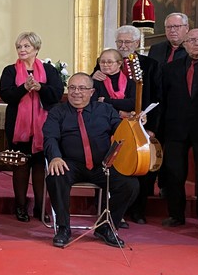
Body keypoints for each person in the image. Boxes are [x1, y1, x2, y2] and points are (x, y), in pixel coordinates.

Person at [43, 73, 138, 248]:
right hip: (70, 163)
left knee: (130, 184)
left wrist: (134, 124)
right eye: (72, 88)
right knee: (56, 176)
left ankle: (106, 226)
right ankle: (63, 228)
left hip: (102, 165)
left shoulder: (105, 110)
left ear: (92, 91)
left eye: (82, 88)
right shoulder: (57, 112)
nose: (76, 92)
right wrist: (55, 157)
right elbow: (50, 137)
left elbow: (122, 132)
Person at [0, 31, 64, 223]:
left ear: (36, 49)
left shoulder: (49, 70)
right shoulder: (10, 71)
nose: (22, 50)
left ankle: (40, 207)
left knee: (39, 165)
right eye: (19, 47)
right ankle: (20, 206)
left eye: (26, 46)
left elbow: (57, 94)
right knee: (20, 164)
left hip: (44, 127)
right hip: (17, 126)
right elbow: (6, 95)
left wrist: (40, 87)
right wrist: (24, 88)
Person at [157, 29, 198, 230]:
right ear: (185, 44)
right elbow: (163, 100)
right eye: (192, 40)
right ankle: (176, 215)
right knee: (174, 173)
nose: (197, 43)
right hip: (175, 128)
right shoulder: (170, 69)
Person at [103, 25, 161, 224]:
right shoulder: (105, 63)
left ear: (137, 43)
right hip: (111, 125)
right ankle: (110, 209)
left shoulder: (151, 65)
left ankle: (138, 210)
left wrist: (151, 127)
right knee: (113, 163)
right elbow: (96, 94)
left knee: (139, 165)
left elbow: (157, 97)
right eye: (119, 42)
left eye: (127, 42)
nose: (123, 45)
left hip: (141, 123)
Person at [90, 49, 136, 116]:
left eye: (109, 62)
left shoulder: (130, 82)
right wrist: (120, 113)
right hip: (103, 119)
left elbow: (132, 104)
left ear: (119, 63)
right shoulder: (95, 82)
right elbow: (95, 106)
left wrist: (106, 101)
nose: (105, 65)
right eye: (102, 62)